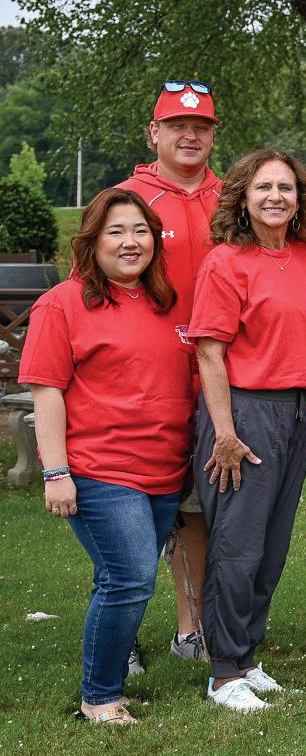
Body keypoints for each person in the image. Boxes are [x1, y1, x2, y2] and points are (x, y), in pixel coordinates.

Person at [23, 190, 194, 724]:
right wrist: (56, 472)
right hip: (99, 469)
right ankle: (99, 698)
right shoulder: (63, 303)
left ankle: (107, 685)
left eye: (140, 231)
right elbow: (46, 390)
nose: (130, 242)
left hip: (164, 471)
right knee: (131, 577)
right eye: (116, 231)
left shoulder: (169, 304)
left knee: (121, 580)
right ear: (92, 241)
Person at [188, 149, 306, 712]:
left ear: (300, 199)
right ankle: (223, 672)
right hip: (244, 414)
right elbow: (210, 352)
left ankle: (246, 658)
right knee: (237, 546)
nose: (276, 197)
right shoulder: (226, 262)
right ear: (243, 197)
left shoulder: (303, 256)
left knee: (271, 548)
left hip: (293, 411)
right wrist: (225, 432)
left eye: (286, 188)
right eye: (264, 187)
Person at [115, 80, 222, 666]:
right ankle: (121, 634)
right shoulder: (127, 199)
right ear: (154, 132)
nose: (190, 136)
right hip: (143, 380)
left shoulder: (233, 198)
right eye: (178, 126)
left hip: (215, 381)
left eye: (201, 127)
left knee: (196, 511)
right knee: (133, 511)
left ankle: (191, 629)